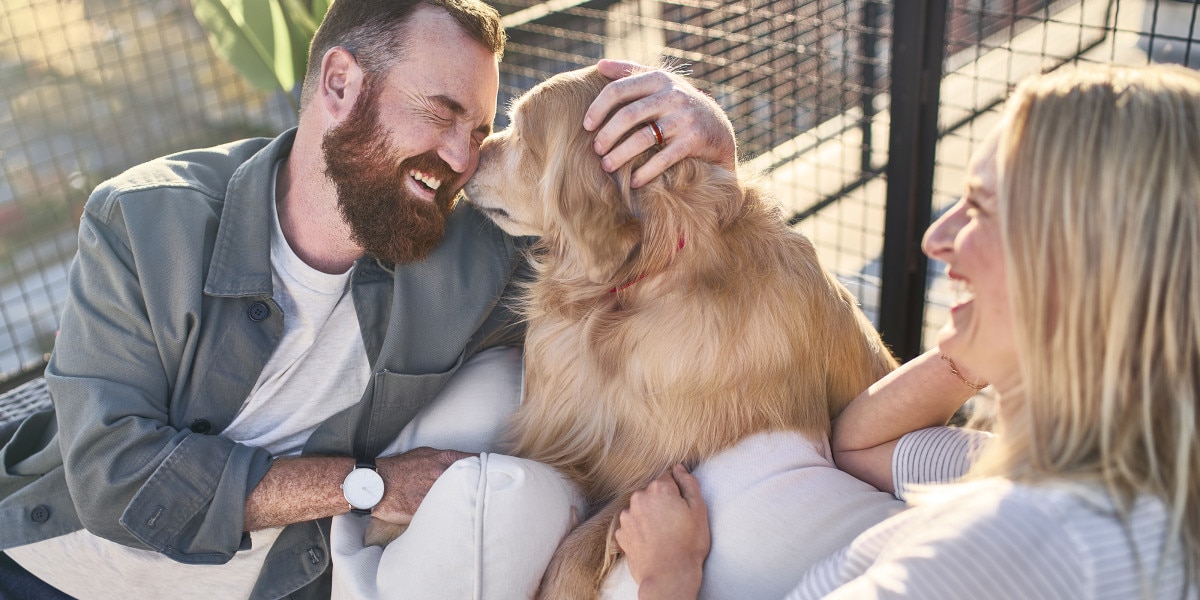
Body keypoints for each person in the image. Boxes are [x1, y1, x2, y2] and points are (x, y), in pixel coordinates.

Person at [0, 0, 737, 597]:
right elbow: (116, 477)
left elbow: (641, 257)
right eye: (439, 111)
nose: (461, 158)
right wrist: (368, 486)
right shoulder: (144, 220)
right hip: (58, 570)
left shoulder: (476, 256)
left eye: (478, 130)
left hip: (279, 585)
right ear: (341, 83)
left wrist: (714, 152)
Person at [613, 64, 1200, 599]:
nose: (936, 238)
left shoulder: (1011, 542)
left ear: (1088, 266)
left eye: (982, 208)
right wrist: (998, 348)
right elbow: (860, 446)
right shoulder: (1107, 482)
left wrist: (669, 574)